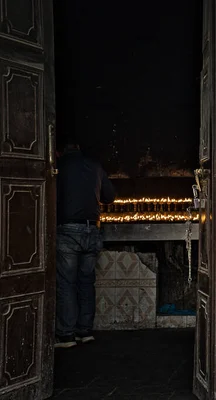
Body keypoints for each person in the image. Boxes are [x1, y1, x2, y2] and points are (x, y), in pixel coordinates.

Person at [55, 140, 115, 348]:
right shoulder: (95, 166)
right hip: (92, 230)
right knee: (86, 282)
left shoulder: (59, 167)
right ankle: (85, 331)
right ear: (80, 147)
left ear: (60, 150)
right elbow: (110, 197)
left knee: (66, 283)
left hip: (68, 230)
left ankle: (66, 335)